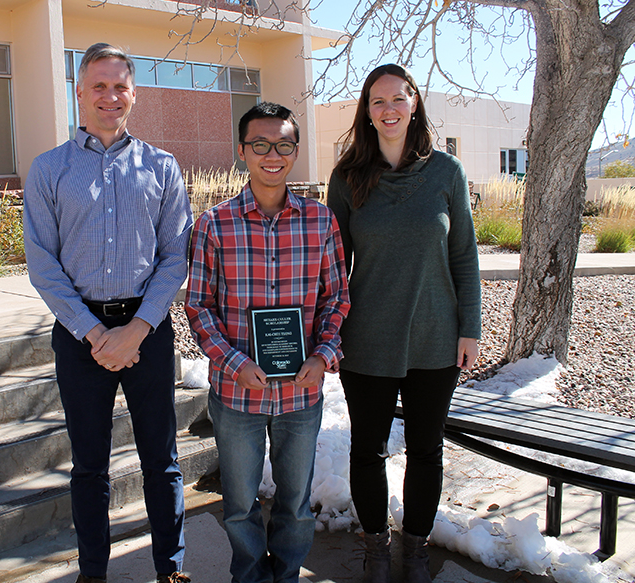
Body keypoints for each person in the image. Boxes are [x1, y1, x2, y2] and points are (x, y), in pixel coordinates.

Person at [23, 43, 193, 583]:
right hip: (80, 337)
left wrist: (137, 329)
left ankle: (171, 568)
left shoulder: (161, 167)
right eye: (98, 85)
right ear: (78, 92)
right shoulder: (49, 170)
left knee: (161, 460)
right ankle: (92, 573)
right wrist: (98, 334)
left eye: (120, 85)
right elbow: (43, 266)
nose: (109, 96)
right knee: (90, 467)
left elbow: (176, 256)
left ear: (134, 93)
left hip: (148, 331)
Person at [326, 64, 481, 583]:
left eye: (399, 98)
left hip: (436, 336)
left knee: (426, 449)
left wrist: (470, 328)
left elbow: (464, 256)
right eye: (377, 101)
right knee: (366, 449)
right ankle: (375, 547)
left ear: (414, 103)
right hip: (366, 338)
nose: (388, 109)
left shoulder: (447, 173)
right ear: (366, 112)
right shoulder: (347, 177)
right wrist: (326, 334)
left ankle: (414, 549)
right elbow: (334, 267)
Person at [185, 102, 350, 583]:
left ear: (295, 151)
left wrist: (323, 355)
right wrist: (235, 362)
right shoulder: (214, 224)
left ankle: (288, 574)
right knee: (239, 504)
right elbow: (199, 305)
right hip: (238, 393)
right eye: (260, 145)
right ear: (242, 151)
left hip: (302, 391)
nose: (271, 155)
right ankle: (251, 576)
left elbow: (337, 298)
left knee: (296, 504)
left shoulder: (321, 222)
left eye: (282, 145)